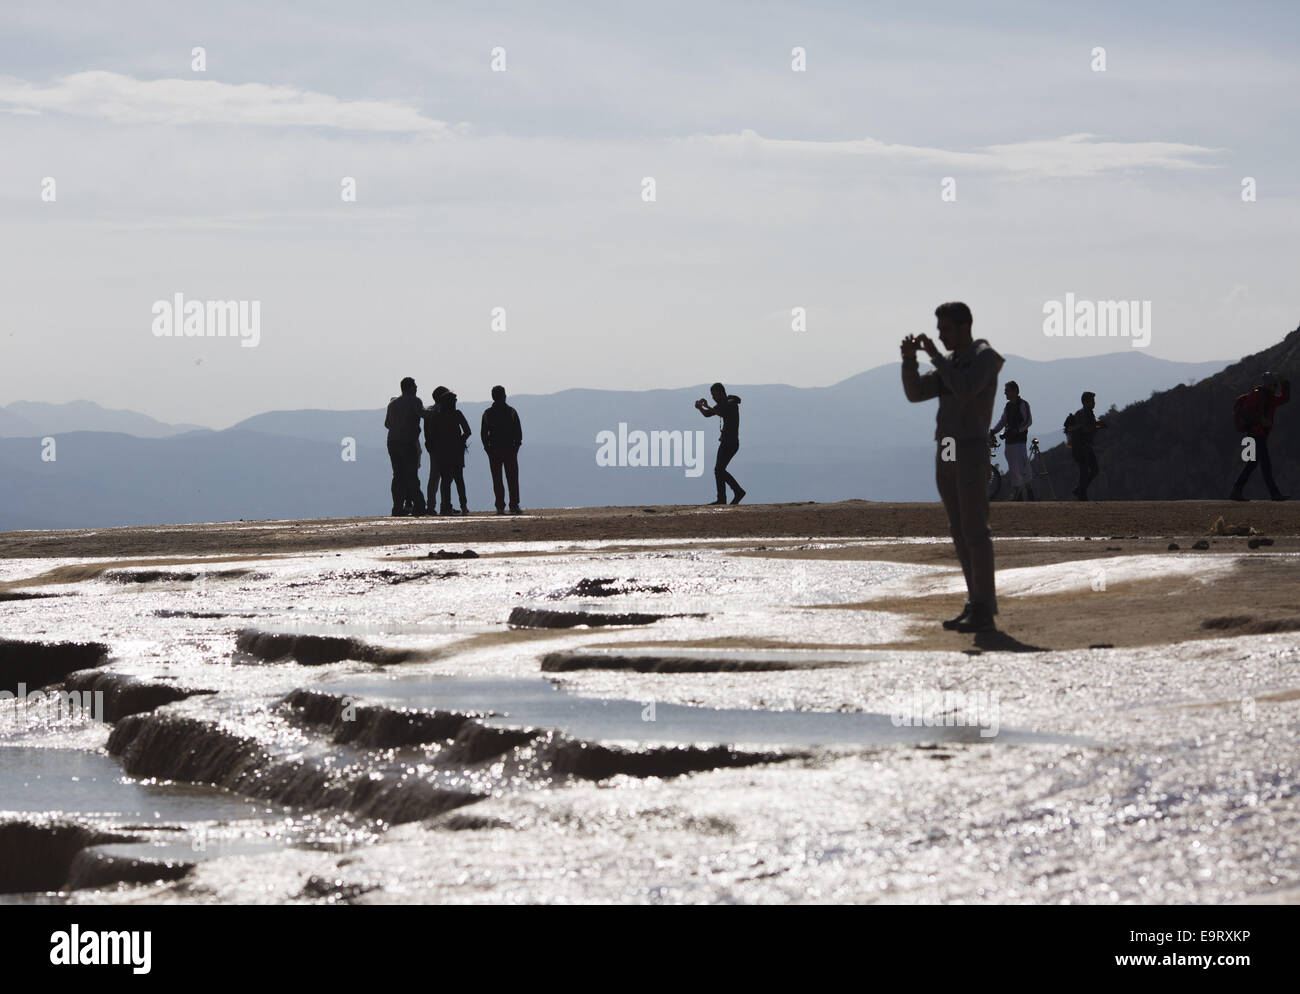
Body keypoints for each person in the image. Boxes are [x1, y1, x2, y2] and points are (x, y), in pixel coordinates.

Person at [901, 301, 1003, 633]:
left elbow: (965, 388)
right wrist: (908, 361)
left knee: (974, 529)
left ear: (963, 327)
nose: (940, 336)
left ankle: (984, 607)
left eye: (945, 329)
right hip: (947, 446)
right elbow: (915, 394)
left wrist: (934, 357)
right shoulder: (953, 363)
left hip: (970, 446)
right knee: (958, 528)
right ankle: (975, 602)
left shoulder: (984, 358)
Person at [1230, 371, 1290, 501]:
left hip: (1256, 435)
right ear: (1269, 384)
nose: (1275, 388)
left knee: (1252, 464)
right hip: (1255, 435)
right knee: (1265, 464)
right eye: (1274, 385)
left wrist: (1283, 382)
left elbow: (1285, 398)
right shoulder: (1257, 395)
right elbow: (1246, 412)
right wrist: (1260, 419)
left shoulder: (1270, 398)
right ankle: (1275, 494)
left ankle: (1236, 490)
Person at [695, 382, 745, 505]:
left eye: (714, 395)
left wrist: (707, 405)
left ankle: (737, 492)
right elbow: (708, 414)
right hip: (725, 442)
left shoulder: (731, 403)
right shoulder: (722, 404)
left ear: (721, 393)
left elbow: (722, 413)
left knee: (719, 469)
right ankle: (723, 498)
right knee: (719, 470)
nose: (713, 398)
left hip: (731, 443)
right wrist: (700, 408)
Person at [384, 376, 425, 517]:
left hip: (392, 442)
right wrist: (436, 410)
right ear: (409, 387)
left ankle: (397, 506)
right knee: (412, 475)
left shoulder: (392, 404)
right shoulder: (415, 401)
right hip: (407, 442)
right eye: (414, 385)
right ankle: (419, 505)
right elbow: (423, 414)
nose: (417, 387)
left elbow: (387, 424)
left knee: (398, 475)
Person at [427, 390, 472, 515]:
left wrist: (438, 445)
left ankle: (447, 507)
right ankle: (463, 506)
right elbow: (468, 431)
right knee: (458, 480)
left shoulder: (437, 416)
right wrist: (459, 441)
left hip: (443, 452)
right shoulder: (457, 414)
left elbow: (431, 435)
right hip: (456, 452)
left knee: (447, 481)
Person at [481, 385, 523, 515]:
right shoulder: (511, 412)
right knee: (512, 478)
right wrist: (516, 447)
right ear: (504, 396)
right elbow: (518, 432)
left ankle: (500, 506)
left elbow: (483, 433)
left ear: (493, 397)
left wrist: (487, 448)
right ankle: (514, 505)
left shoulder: (487, 413)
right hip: (509, 449)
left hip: (494, 450)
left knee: (497, 479)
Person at [989, 381, 1034, 500]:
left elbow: (1028, 421)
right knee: (1014, 468)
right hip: (1009, 442)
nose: (1005, 393)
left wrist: (1018, 430)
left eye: (1007, 390)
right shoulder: (1008, 406)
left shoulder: (1023, 405)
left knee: (1023, 468)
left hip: (1019, 442)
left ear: (1015, 391)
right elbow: (1003, 421)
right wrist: (993, 431)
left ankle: (1028, 492)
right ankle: (1019, 495)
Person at [1065, 391, 1105, 500]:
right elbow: (1086, 429)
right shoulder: (1084, 414)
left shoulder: (1085, 413)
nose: (1094, 403)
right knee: (1086, 471)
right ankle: (1082, 495)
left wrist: (1096, 426)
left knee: (1093, 470)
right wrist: (1097, 426)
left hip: (1085, 447)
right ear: (1085, 402)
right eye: (1092, 401)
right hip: (1081, 447)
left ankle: (1080, 490)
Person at [422, 385, 450, 514]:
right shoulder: (445, 411)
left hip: (433, 447)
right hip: (444, 446)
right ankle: (445, 505)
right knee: (446, 477)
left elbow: (426, 430)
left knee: (434, 477)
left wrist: (428, 443)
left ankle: (431, 506)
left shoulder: (429, 411)